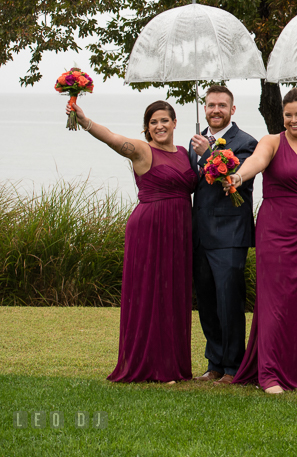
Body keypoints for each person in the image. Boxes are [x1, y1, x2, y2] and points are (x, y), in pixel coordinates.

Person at [69, 100, 194, 383]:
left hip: (179, 231)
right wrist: (85, 120)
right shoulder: (140, 149)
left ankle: (172, 363)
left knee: (172, 293)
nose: (159, 126)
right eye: (153, 122)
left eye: (164, 120)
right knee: (151, 293)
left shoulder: (186, 153)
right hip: (150, 228)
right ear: (147, 127)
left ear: (175, 123)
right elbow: (112, 138)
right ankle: (153, 365)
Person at [226, 88, 297, 394]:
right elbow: (257, 162)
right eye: (288, 115)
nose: (293, 120)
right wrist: (238, 176)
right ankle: (270, 373)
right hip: (277, 229)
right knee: (276, 300)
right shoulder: (272, 141)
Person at [188, 85, 258, 384]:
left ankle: (233, 366)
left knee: (229, 301)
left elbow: (235, 182)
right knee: (206, 301)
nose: (215, 110)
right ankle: (214, 362)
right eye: (211, 105)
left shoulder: (246, 142)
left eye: (222, 105)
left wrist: (208, 154)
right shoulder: (196, 140)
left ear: (232, 110)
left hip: (230, 234)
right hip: (200, 234)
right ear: (204, 108)